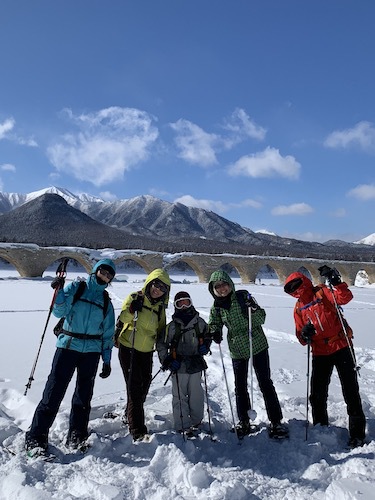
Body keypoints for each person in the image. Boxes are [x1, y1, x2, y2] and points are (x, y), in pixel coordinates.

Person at [25, 258, 116, 456]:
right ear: (96, 270)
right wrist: (59, 293)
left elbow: (108, 334)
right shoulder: (77, 288)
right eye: (103, 272)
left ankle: (77, 434)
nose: (105, 276)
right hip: (68, 347)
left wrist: (107, 360)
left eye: (109, 275)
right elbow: (59, 311)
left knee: (83, 395)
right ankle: (36, 437)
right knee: (54, 391)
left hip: (91, 351)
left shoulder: (106, 302)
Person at [284, 265, 366, 448]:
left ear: (303, 281)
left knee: (350, 390)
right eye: (291, 288)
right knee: (317, 394)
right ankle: (321, 428)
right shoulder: (298, 308)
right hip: (320, 352)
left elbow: (345, 298)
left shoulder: (322, 293)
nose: (295, 289)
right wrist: (304, 334)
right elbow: (301, 337)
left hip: (341, 345)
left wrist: (337, 281)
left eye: (297, 284)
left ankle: (358, 434)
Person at [208, 270, 288, 439]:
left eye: (224, 284)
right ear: (213, 289)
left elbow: (261, 317)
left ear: (230, 284)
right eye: (218, 286)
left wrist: (253, 310)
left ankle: (276, 421)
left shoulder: (243, 297)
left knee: (265, 382)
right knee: (240, 386)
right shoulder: (216, 306)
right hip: (237, 348)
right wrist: (215, 331)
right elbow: (214, 323)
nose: (222, 289)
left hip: (256, 343)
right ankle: (243, 420)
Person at [115, 268, 170, 441]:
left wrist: (165, 353)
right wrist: (132, 310)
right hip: (128, 348)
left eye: (162, 288)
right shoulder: (135, 298)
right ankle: (137, 429)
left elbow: (161, 332)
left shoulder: (160, 309)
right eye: (156, 284)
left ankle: (128, 414)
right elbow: (122, 318)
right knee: (134, 389)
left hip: (146, 352)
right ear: (149, 283)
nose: (157, 289)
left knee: (144, 386)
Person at [156, 291, 211, 436]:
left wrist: (206, 345)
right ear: (175, 306)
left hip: (196, 364)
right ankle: (182, 425)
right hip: (178, 365)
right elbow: (161, 344)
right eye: (180, 303)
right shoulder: (172, 327)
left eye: (186, 302)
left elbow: (207, 336)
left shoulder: (200, 323)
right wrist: (166, 360)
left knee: (196, 394)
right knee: (179, 396)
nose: (184, 306)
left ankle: (197, 421)